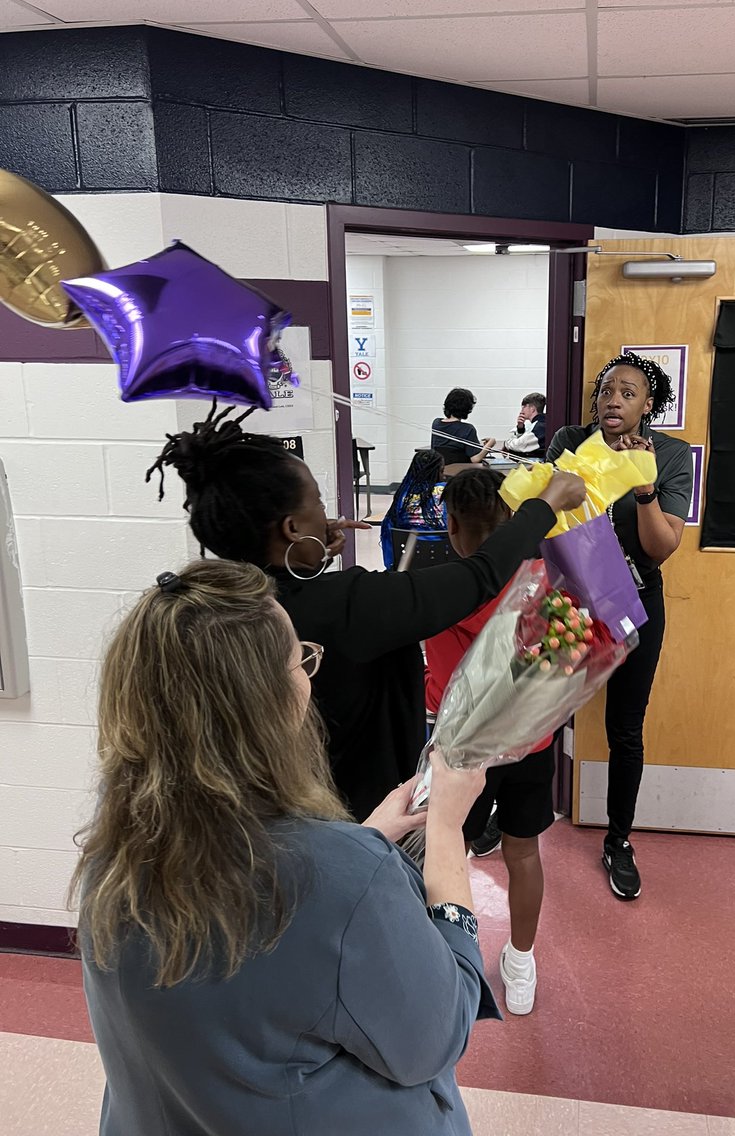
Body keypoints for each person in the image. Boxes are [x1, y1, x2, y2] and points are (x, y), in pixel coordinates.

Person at [75, 558, 496, 1136]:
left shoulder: (114, 846)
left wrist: (364, 839)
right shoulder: (342, 877)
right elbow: (436, 1036)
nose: (307, 673)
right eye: (300, 658)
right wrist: (446, 830)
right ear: (266, 705)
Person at [147, 403, 586, 821]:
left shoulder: (234, 606)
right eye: (317, 503)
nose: (327, 513)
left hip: (289, 805)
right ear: (290, 528)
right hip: (361, 812)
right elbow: (479, 577)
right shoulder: (348, 604)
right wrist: (546, 504)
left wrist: (308, 551)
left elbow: (295, 584)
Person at [545, 351, 692, 901]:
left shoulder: (671, 455)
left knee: (626, 727)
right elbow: (549, 515)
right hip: (572, 598)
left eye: (628, 393)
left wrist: (644, 485)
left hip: (636, 599)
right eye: (608, 390)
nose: (613, 400)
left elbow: (660, 548)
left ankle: (619, 840)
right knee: (537, 704)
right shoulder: (569, 440)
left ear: (648, 406)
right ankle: (503, 813)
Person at [424, 471, 556, 1017]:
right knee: (523, 852)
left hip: (461, 752)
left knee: (443, 847)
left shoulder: (437, 591)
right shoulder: (544, 583)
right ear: (511, 521)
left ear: (452, 527)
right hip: (531, 740)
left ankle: (444, 957)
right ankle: (521, 958)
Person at [381, 450, 448, 569]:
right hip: (444, 564)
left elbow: (387, 531)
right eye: (442, 471)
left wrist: (392, 567)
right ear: (435, 472)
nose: (444, 476)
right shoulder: (447, 491)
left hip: (409, 565)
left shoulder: (403, 494)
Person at [431, 387, 496, 472]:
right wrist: (490, 445)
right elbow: (475, 459)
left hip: (439, 473)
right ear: (467, 409)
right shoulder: (468, 429)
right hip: (461, 475)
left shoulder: (436, 423)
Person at [502, 392, 547, 459]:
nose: (521, 411)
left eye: (524, 407)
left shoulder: (539, 427)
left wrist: (506, 443)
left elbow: (518, 445)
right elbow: (525, 441)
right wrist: (520, 428)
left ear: (532, 409)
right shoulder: (540, 423)